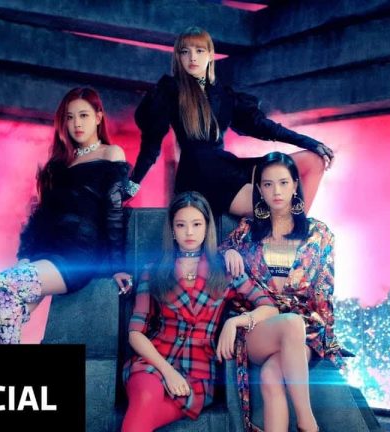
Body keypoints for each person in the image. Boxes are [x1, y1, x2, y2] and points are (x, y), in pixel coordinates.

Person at [126, 26, 334, 217]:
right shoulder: (170, 91)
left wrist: (310, 142)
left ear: (210, 55)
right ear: (178, 57)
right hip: (199, 175)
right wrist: (132, 184)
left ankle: (297, 234)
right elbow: (151, 145)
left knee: (313, 161)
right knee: (274, 207)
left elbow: (262, 126)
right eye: (185, 52)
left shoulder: (223, 95)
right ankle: (291, 234)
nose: (192, 57)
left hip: (228, 167)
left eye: (199, 51)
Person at [116, 191, 278, 432]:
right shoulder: (155, 270)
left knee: (142, 419)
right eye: (181, 225)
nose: (189, 232)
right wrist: (168, 372)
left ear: (207, 228)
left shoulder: (225, 269)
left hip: (199, 371)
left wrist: (234, 323)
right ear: (172, 229)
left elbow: (269, 308)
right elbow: (135, 333)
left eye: (196, 224)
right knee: (146, 397)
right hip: (153, 361)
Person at [0, 87, 129, 344]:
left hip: (77, 255)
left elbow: (114, 213)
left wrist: (118, 266)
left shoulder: (111, 154)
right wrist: (26, 255)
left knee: (2, 284)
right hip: (46, 253)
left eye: (83, 115)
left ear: (98, 117)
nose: (76, 124)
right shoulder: (58, 164)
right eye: (69, 118)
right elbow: (42, 216)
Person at [220, 152, 343, 432]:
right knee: (290, 323)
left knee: (271, 376)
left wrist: (327, 340)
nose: (276, 191)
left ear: (295, 185)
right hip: (258, 329)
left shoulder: (319, 235)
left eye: (283, 183)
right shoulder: (246, 232)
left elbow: (325, 293)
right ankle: (308, 424)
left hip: (304, 332)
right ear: (260, 190)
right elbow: (215, 255)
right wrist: (228, 252)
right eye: (268, 184)